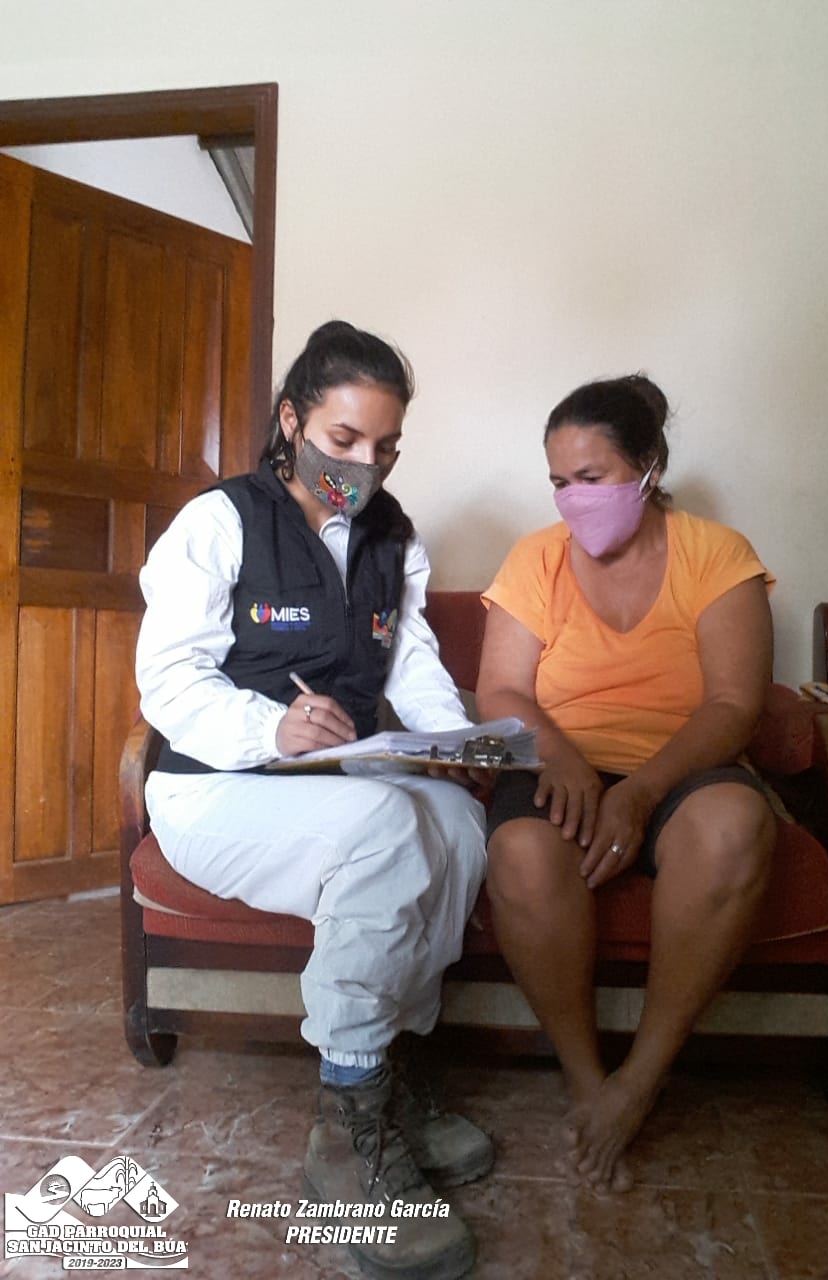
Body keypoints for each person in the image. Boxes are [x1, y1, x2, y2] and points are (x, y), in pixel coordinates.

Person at [136, 320, 492, 1280]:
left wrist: (452, 744)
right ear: (292, 422)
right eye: (344, 440)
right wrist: (270, 730)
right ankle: (345, 1130)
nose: (365, 467)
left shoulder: (391, 535)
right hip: (215, 789)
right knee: (389, 831)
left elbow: (411, 665)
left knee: (457, 824)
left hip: (336, 783)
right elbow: (167, 681)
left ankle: (392, 1078)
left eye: (387, 447)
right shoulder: (219, 522)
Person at [474, 373, 777, 1193]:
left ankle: (641, 1079)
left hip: (682, 768)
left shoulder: (718, 555)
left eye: (592, 476)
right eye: (559, 482)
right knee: (522, 854)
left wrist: (641, 791)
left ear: (648, 467)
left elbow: (735, 704)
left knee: (732, 829)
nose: (574, 498)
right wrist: (563, 757)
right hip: (560, 765)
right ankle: (587, 1081)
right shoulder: (535, 559)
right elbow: (500, 691)